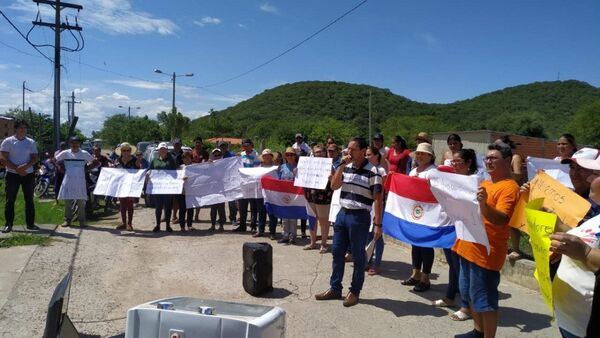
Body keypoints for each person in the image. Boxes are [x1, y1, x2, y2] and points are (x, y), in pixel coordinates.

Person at [453, 142, 520, 338]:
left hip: (486, 253)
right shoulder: (484, 183)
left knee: (486, 301)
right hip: (467, 246)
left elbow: (500, 219)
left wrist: (483, 204)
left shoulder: (509, 188)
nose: (488, 161)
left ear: (507, 161)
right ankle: (477, 331)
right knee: (470, 295)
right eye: (487, 158)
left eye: (494, 158)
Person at [315, 137, 383, 307]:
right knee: (337, 252)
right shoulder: (346, 167)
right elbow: (334, 186)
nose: (349, 152)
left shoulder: (373, 171)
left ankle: (354, 291)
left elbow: (378, 199)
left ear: (362, 151)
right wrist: (341, 166)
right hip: (342, 214)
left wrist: (378, 224)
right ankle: (335, 287)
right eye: (348, 149)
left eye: (353, 149)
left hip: (359, 217)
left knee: (359, 256)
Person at [551, 175, 600, 338]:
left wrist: (584, 252)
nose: (589, 179)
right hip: (568, 318)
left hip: (586, 324)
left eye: (596, 173)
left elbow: (585, 249)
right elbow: (585, 239)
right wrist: (556, 223)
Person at [432, 149, 478, 321]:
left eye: (458, 162)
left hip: (466, 230)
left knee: (463, 268)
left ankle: (466, 306)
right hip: (449, 227)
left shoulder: (474, 181)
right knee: (453, 265)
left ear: (468, 163)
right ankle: (450, 297)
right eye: (453, 162)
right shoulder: (451, 179)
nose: (454, 165)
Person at [401, 143, 437, 292]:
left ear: (430, 156)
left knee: (426, 245)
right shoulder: (413, 171)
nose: (420, 156)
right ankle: (415, 274)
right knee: (415, 244)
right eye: (418, 153)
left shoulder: (433, 172)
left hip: (428, 212)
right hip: (415, 212)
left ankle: (425, 278)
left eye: (424, 153)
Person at [0, 120, 39, 233]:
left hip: (28, 174)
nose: (23, 130)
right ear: (15, 129)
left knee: (29, 199)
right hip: (12, 174)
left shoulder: (31, 142)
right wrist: (17, 169)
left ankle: (30, 224)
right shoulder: (8, 141)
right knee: (10, 200)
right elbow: (3, 158)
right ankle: (8, 224)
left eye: (25, 128)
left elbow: (35, 157)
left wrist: (25, 167)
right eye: (20, 127)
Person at [56, 136, 97, 228]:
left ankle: (82, 221)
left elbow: (95, 162)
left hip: (80, 179)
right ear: (70, 144)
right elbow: (55, 160)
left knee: (81, 201)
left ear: (80, 144)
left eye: (76, 143)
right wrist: (60, 168)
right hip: (68, 179)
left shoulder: (84, 153)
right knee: (67, 201)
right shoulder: (65, 153)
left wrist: (86, 169)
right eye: (72, 143)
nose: (74, 145)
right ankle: (67, 220)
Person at [303, 144, 334, 252]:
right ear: (313, 153)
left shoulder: (330, 165)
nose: (319, 154)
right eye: (316, 152)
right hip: (310, 196)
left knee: (324, 221)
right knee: (312, 220)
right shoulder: (308, 164)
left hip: (324, 197)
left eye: (320, 151)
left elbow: (334, 182)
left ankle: (324, 244)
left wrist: (331, 177)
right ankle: (312, 242)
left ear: (325, 153)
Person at [364, 146, 387, 275]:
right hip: (367, 204)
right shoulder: (366, 169)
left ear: (376, 156)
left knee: (377, 236)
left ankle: (377, 264)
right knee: (368, 235)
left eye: (369, 155)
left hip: (377, 205)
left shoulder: (381, 171)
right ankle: (367, 260)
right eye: (366, 155)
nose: (366, 157)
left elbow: (381, 193)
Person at [234, 138, 261, 232]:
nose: (245, 146)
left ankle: (253, 226)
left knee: (253, 207)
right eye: (244, 145)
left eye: (247, 145)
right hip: (242, 183)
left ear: (251, 145)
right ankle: (242, 225)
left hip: (253, 183)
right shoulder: (240, 155)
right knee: (242, 206)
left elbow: (257, 170)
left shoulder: (256, 155)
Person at [150, 142, 178, 233]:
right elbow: (150, 170)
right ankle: (157, 225)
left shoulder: (172, 159)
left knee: (168, 206)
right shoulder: (155, 160)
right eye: (161, 149)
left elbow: (176, 172)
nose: (162, 150)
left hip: (168, 187)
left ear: (167, 150)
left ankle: (167, 226)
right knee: (158, 207)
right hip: (157, 188)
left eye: (164, 149)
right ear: (158, 150)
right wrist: (148, 175)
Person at [113, 143, 140, 231]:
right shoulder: (117, 161)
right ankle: (124, 223)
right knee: (122, 205)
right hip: (121, 185)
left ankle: (129, 223)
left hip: (131, 185)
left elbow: (138, 172)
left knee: (130, 204)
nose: (126, 152)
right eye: (124, 150)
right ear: (121, 151)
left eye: (128, 150)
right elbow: (115, 172)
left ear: (130, 151)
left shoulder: (135, 160)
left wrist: (139, 163)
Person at [278, 147, 300, 245]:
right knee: (284, 216)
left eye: (292, 154)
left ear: (295, 156)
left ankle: (293, 236)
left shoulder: (298, 167)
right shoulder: (282, 167)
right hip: (284, 194)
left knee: (293, 216)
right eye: (287, 155)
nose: (290, 156)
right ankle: (285, 235)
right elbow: (278, 180)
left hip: (294, 194)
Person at [254, 148, 278, 238]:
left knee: (272, 213)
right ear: (263, 157)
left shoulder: (275, 168)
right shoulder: (258, 168)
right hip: (260, 193)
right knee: (261, 212)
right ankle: (261, 230)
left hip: (272, 194)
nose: (267, 157)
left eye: (268, 155)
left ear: (271, 157)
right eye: (265, 156)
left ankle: (272, 232)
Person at [217, 141, 237, 225]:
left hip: (230, 181)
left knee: (232, 201)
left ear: (226, 147)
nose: (223, 148)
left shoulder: (232, 155)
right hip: (220, 181)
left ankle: (233, 218)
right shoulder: (217, 155)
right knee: (220, 201)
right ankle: (222, 218)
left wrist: (238, 157)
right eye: (221, 146)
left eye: (224, 146)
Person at [207, 148, 226, 231]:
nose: (217, 156)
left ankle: (221, 225)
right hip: (213, 189)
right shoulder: (209, 163)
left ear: (221, 155)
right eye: (215, 155)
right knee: (213, 208)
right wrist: (208, 164)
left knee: (221, 208)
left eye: (218, 155)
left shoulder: (225, 163)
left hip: (222, 188)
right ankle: (213, 225)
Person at [191, 137, 210, 221]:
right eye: (196, 142)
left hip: (202, 178)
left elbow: (207, 163)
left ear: (202, 144)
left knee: (199, 197)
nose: (198, 144)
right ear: (194, 143)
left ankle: (197, 214)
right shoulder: (191, 153)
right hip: (192, 177)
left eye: (199, 142)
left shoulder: (205, 153)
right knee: (191, 197)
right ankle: (190, 216)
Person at [178, 151, 195, 232]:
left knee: (191, 209)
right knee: (182, 209)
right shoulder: (180, 168)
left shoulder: (195, 167)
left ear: (190, 158)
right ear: (182, 159)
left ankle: (189, 225)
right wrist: (182, 179)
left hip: (191, 191)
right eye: (184, 158)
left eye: (188, 157)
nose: (186, 159)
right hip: (182, 191)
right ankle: (182, 226)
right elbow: (176, 178)